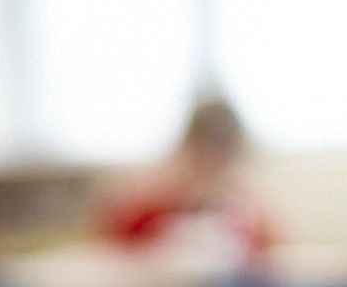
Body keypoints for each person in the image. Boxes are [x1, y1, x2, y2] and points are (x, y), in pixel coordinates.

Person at [96, 98, 273, 266]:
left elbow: (269, 255)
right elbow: (105, 252)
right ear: (188, 147)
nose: (210, 164)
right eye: (203, 155)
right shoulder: (148, 201)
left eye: (221, 158)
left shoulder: (244, 210)